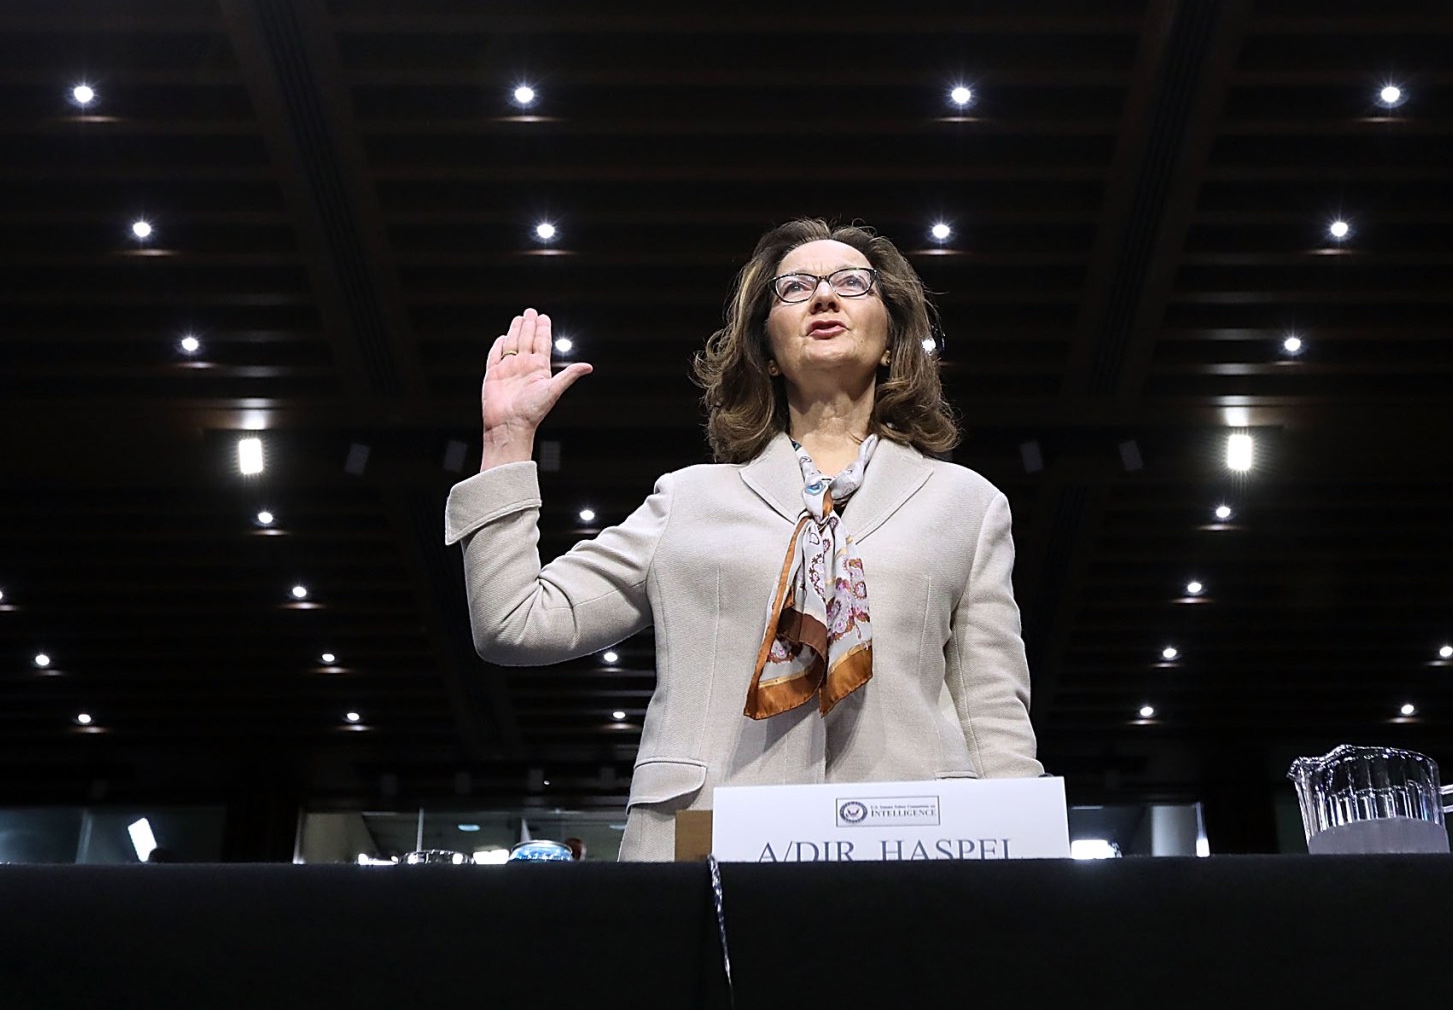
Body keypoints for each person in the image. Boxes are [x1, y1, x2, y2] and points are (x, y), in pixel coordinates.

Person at [443, 218, 1045, 862]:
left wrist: (1029, 865)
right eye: (795, 287)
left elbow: (991, 711)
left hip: (914, 851)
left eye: (851, 282)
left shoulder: (968, 504)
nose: (823, 297)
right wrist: (507, 441)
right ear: (763, 348)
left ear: (894, 337)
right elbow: (514, 624)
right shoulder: (688, 499)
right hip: (705, 842)